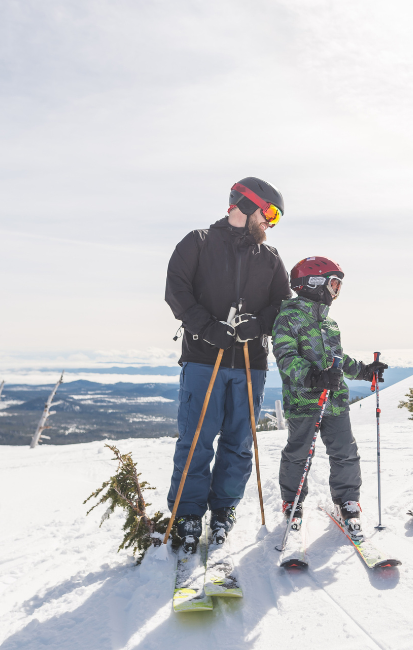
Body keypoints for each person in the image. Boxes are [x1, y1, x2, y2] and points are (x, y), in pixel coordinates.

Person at [163, 177, 292, 552]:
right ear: (247, 203)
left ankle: (223, 510)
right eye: (269, 213)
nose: (271, 222)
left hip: (251, 364)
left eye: (276, 218)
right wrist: (206, 329)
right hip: (204, 360)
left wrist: (259, 323)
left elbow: (282, 305)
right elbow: (177, 290)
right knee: (197, 440)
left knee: (238, 443)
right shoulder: (198, 242)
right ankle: (188, 514)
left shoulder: (269, 258)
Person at [272, 256, 388, 537]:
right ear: (313, 284)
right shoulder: (288, 317)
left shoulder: (329, 324)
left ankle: (347, 501)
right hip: (304, 401)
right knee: (299, 454)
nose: (336, 290)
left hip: (335, 402)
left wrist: (364, 371)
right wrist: (313, 377)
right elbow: (285, 356)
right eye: (333, 284)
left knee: (345, 452)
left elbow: (338, 359)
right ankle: (293, 502)